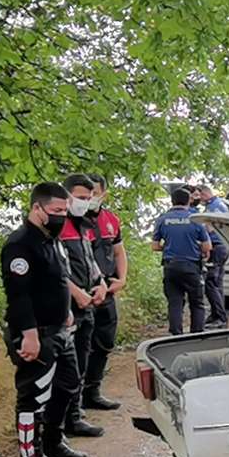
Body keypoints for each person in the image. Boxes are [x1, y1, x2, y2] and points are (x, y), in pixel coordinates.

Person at [1, 182, 89, 457]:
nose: (61, 216)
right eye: (56, 211)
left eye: (64, 211)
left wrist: (65, 310)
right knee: (33, 396)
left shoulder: (51, 238)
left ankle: (54, 441)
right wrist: (28, 334)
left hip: (58, 328)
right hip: (35, 332)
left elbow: (58, 279)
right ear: (37, 209)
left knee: (67, 385)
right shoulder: (20, 244)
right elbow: (19, 294)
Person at [59, 174, 107, 438]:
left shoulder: (82, 225)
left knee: (80, 362)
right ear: (66, 196)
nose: (85, 203)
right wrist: (76, 293)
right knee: (65, 369)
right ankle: (57, 424)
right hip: (66, 307)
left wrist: (100, 283)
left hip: (87, 304)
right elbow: (54, 269)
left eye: (88, 199)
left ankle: (74, 417)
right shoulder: (56, 227)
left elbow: (90, 261)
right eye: (80, 198)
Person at [81, 174, 126, 411]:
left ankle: (92, 391)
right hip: (82, 293)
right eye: (85, 194)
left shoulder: (110, 220)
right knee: (80, 346)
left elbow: (119, 251)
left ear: (103, 194)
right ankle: (74, 399)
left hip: (107, 290)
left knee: (104, 342)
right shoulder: (71, 221)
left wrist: (122, 278)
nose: (90, 198)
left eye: (94, 193)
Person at [153, 187, 212, 335]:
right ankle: (196, 335)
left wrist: (168, 247)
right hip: (191, 267)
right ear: (189, 201)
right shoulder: (195, 219)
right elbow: (207, 246)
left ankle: (176, 335)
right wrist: (194, 246)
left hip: (170, 266)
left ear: (172, 201)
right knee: (197, 303)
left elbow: (154, 246)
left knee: (175, 302)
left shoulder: (162, 219)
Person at [197, 184, 229, 329]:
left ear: (204, 194)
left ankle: (221, 317)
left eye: (200, 196)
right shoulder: (219, 204)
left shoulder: (214, 207)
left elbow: (210, 228)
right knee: (217, 284)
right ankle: (217, 314)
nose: (199, 200)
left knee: (211, 283)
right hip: (222, 247)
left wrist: (198, 230)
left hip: (216, 247)